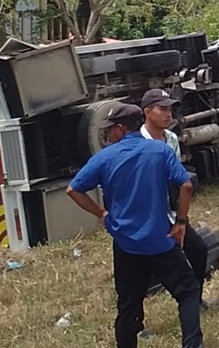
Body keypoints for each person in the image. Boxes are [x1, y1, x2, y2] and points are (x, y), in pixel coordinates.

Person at [67, 102, 204, 348]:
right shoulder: (159, 151)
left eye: (110, 129)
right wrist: (181, 222)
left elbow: (73, 190)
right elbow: (186, 186)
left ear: (120, 129)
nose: (107, 134)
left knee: (129, 305)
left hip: (126, 243)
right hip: (160, 240)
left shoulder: (104, 158)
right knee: (188, 292)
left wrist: (101, 213)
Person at [139, 89, 215, 314]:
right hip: (149, 215)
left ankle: (196, 301)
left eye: (170, 109)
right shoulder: (138, 142)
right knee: (143, 268)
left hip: (172, 211)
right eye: (162, 109)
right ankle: (136, 319)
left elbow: (177, 176)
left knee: (198, 250)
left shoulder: (171, 139)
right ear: (147, 112)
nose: (168, 114)